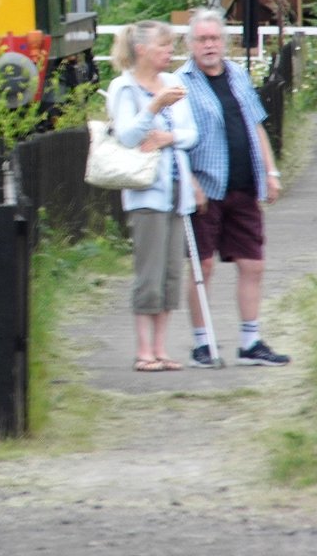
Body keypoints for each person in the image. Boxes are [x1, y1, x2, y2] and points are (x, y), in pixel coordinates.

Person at [177, 8, 290, 366]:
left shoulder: (238, 75)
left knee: (253, 264)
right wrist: (189, 182)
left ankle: (250, 341)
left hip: (243, 186)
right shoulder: (179, 83)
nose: (209, 45)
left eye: (214, 38)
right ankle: (201, 343)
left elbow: (256, 125)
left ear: (224, 42)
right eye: (202, 39)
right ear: (190, 43)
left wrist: (271, 173)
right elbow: (176, 143)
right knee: (203, 266)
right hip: (206, 191)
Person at [107, 21, 198, 372]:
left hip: (178, 188)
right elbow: (127, 137)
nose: (169, 52)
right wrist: (154, 107)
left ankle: (161, 349)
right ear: (142, 50)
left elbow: (192, 133)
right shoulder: (123, 88)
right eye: (163, 46)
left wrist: (169, 138)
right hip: (146, 191)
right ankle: (144, 351)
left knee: (172, 272)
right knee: (149, 272)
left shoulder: (175, 83)